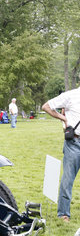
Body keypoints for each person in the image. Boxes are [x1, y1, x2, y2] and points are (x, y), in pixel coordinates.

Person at [42, 88, 80, 222]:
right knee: (68, 179)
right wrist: (64, 118)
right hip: (74, 143)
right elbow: (46, 106)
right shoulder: (70, 95)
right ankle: (63, 214)